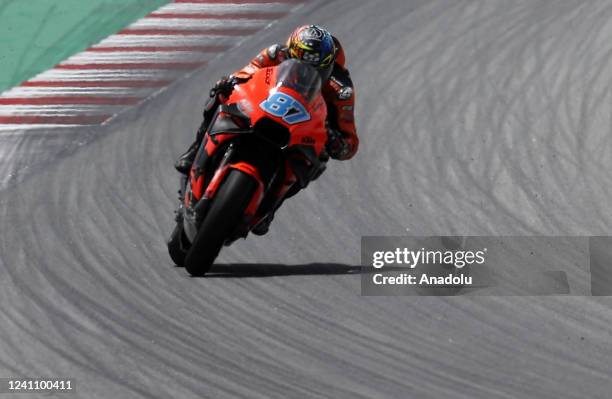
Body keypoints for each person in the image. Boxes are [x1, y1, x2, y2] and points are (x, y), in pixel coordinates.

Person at [175, 24, 359, 234]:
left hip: (300, 131)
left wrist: (337, 143)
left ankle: (271, 207)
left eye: (316, 69)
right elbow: (245, 74)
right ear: (289, 54)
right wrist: (230, 82)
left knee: (317, 160)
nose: (306, 72)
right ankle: (195, 149)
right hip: (263, 108)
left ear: (328, 65)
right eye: (298, 63)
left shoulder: (340, 89)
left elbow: (350, 142)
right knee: (221, 94)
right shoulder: (275, 54)